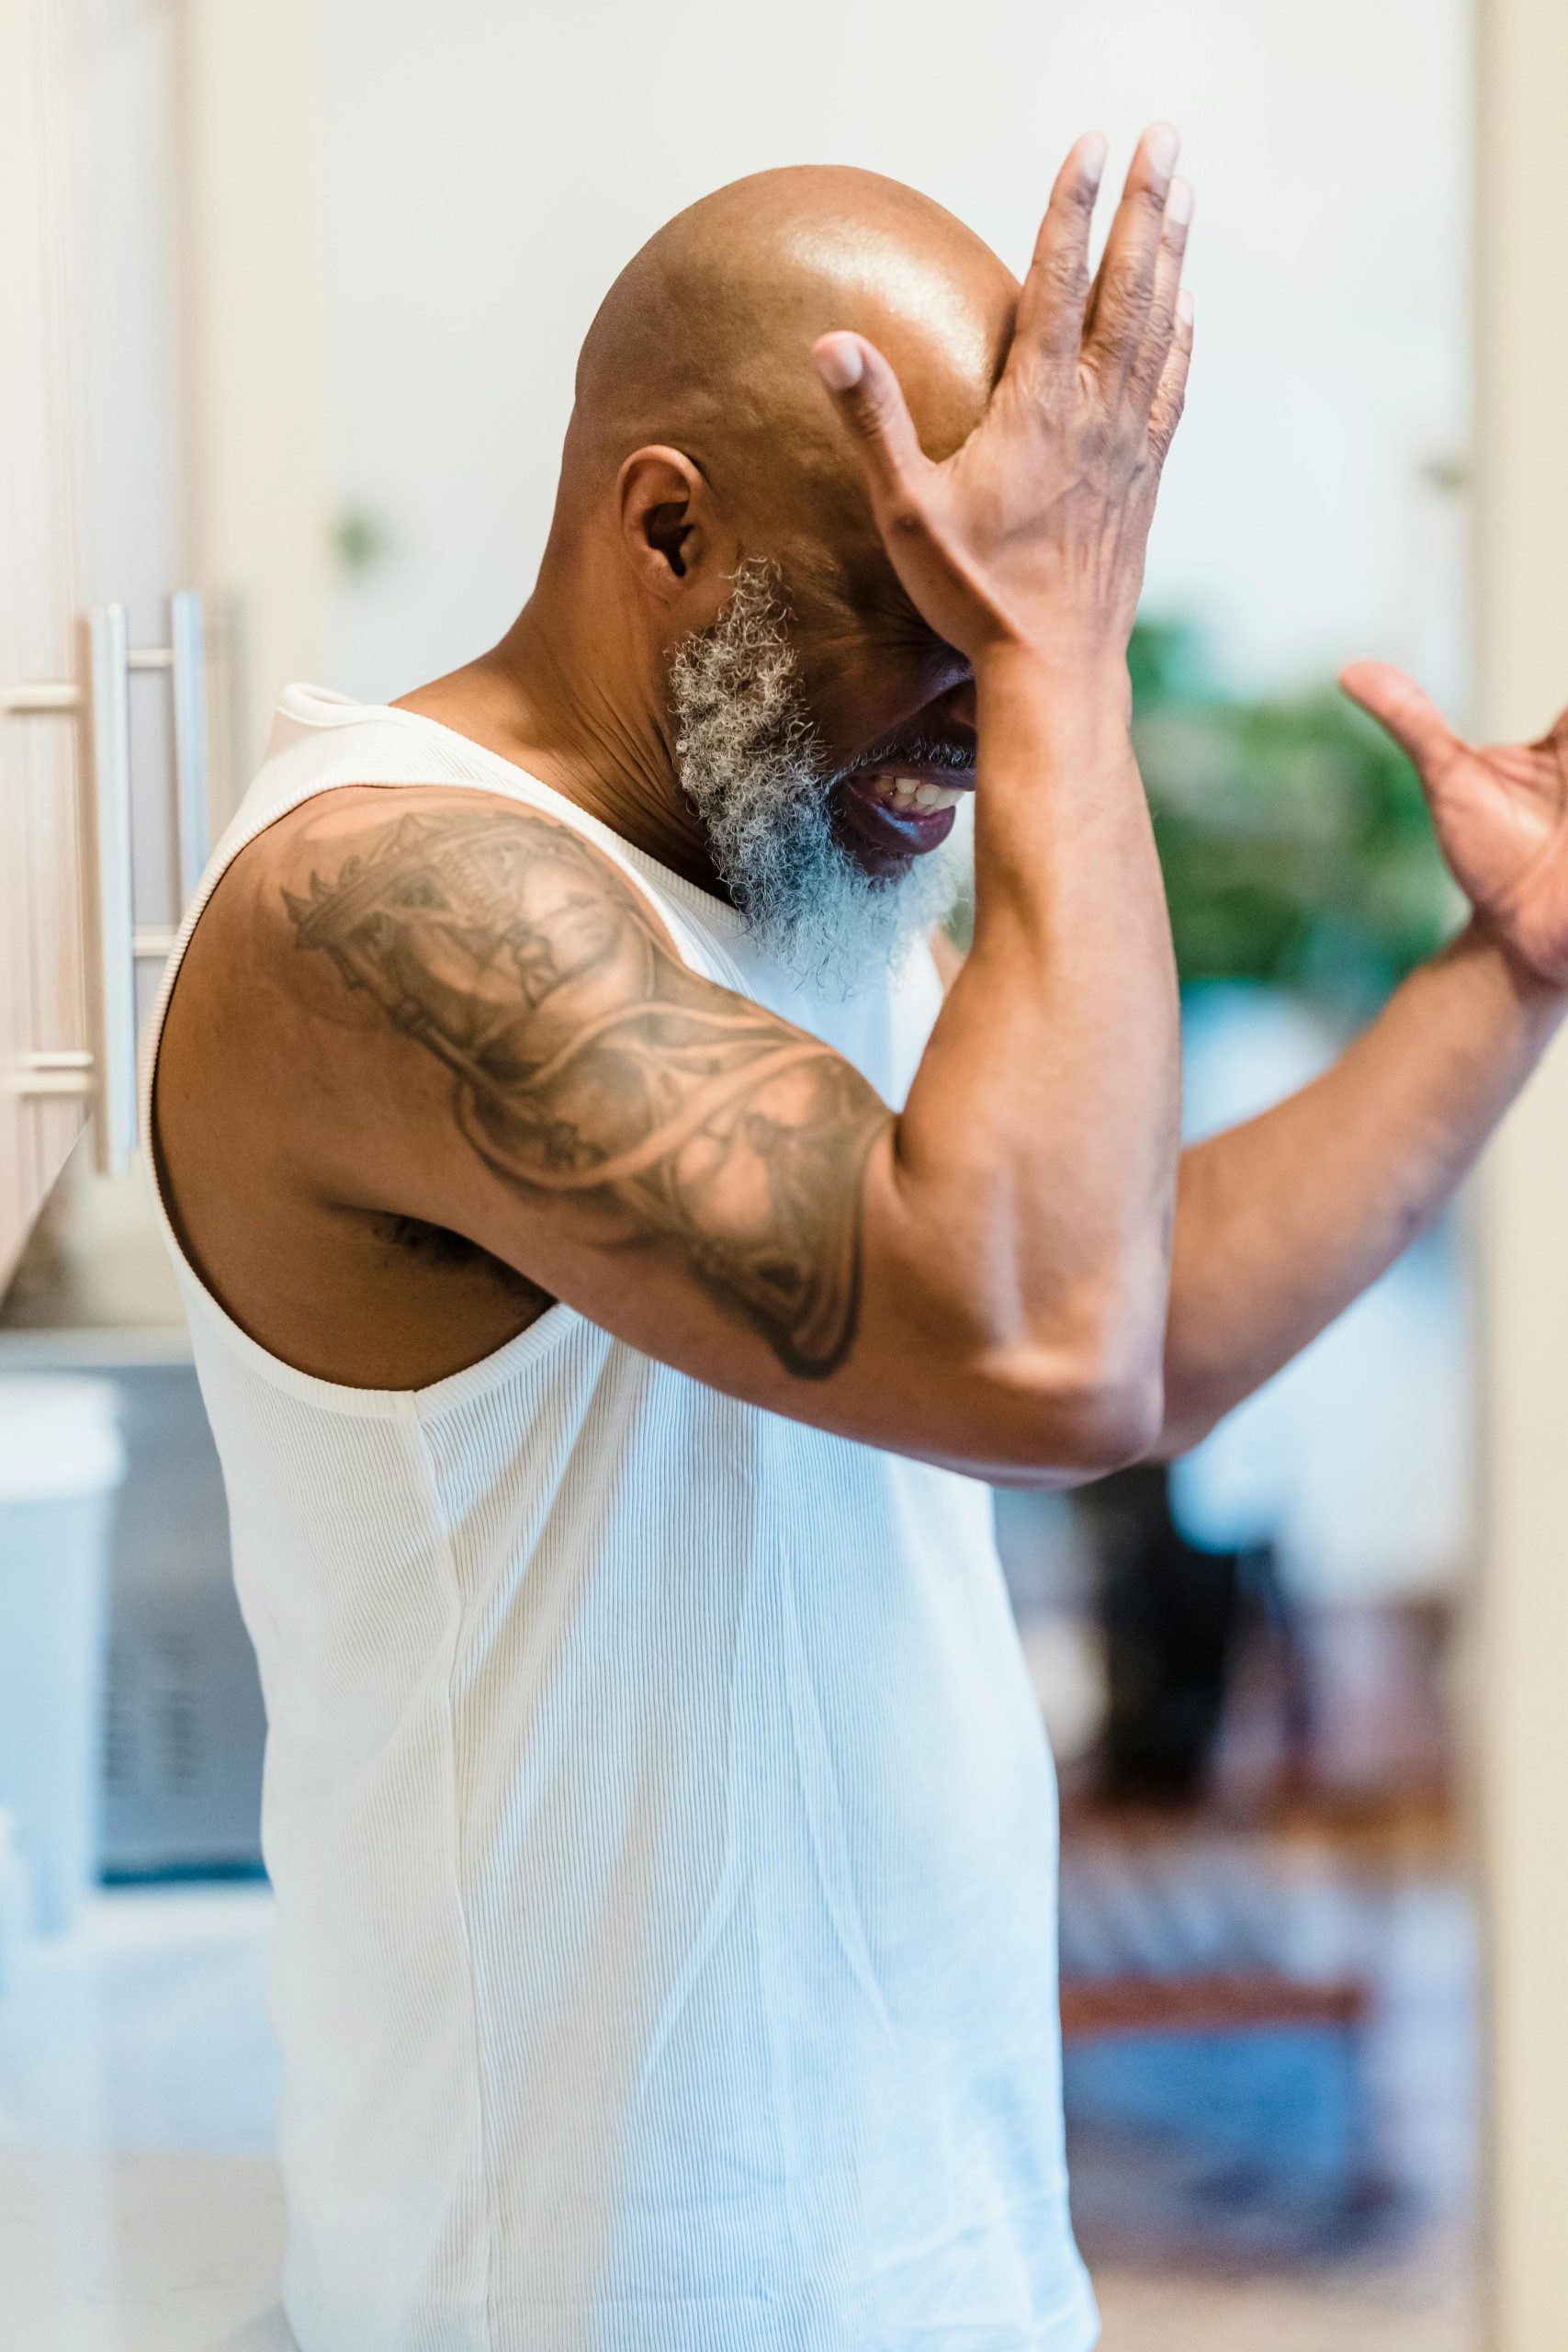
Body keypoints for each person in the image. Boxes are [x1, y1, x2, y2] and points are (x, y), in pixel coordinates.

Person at [147, 125, 1568, 2352]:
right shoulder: (392, 911)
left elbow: (1125, 1312)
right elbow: (1040, 1340)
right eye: (930, 609)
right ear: (664, 526)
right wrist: (1066, 649)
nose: (981, 714)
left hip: (946, 2265)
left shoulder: (795, 860)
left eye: (1012, 612)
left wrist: (1505, 972)